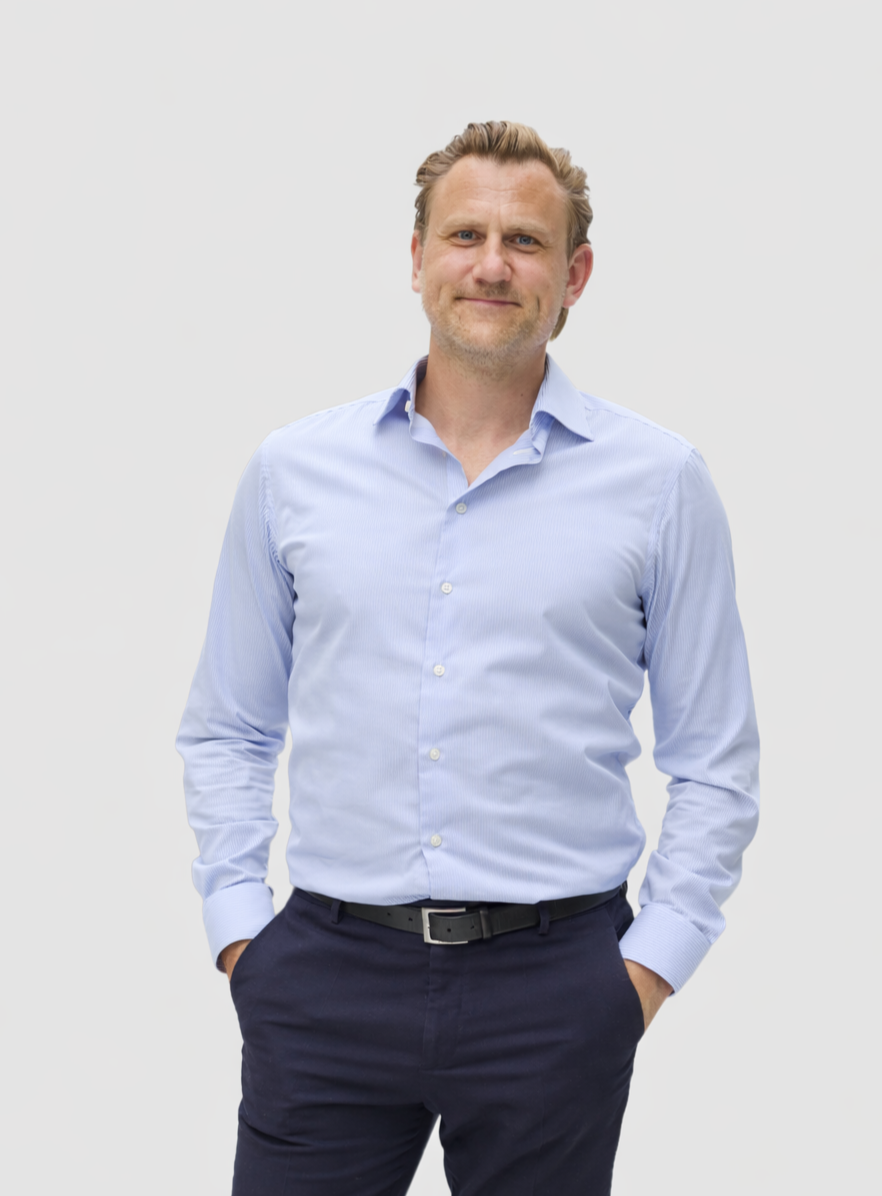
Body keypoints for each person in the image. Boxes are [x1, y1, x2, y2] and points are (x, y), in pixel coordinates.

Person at [177, 120, 759, 1196]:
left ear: (574, 274)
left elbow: (715, 758)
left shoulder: (661, 482)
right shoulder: (294, 470)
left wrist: (642, 973)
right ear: (415, 257)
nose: (492, 263)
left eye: (526, 242)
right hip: (325, 975)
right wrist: (242, 937)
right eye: (465, 233)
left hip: (557, 985)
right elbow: (230, 722)